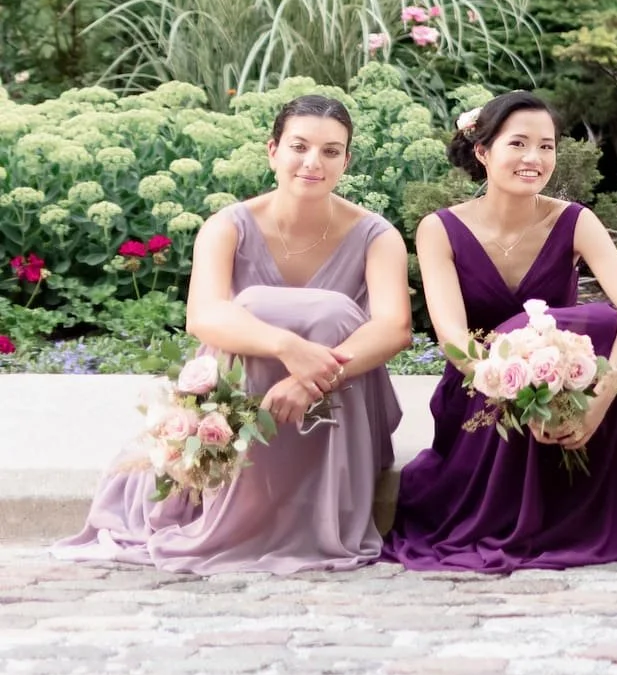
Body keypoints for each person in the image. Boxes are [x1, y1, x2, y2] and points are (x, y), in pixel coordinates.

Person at [57, 94, 409, 573]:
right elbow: (204, 315)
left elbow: (393, 328)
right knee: (252, 310)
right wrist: (288, 347)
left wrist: (314, 377)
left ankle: (321, 512)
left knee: (333, 314)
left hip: (341, 406)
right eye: (299, 147)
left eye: (331, 151)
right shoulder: (228, 226)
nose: (312, 162)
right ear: (273, 151)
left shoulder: (376, 235)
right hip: (245, 397)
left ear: (346, 160)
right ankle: (235, 504)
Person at [384, 92, 617, 571]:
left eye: (546, 146)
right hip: (479, 388)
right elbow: (453, 337)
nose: (535, 159)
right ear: (483, 151)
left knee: (603, 324)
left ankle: (574, 491)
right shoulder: (439, 228)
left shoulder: (575, 221)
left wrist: (597, 401)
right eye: (519, 144)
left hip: (566, 387)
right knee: (533, 329)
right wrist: (512, 386)